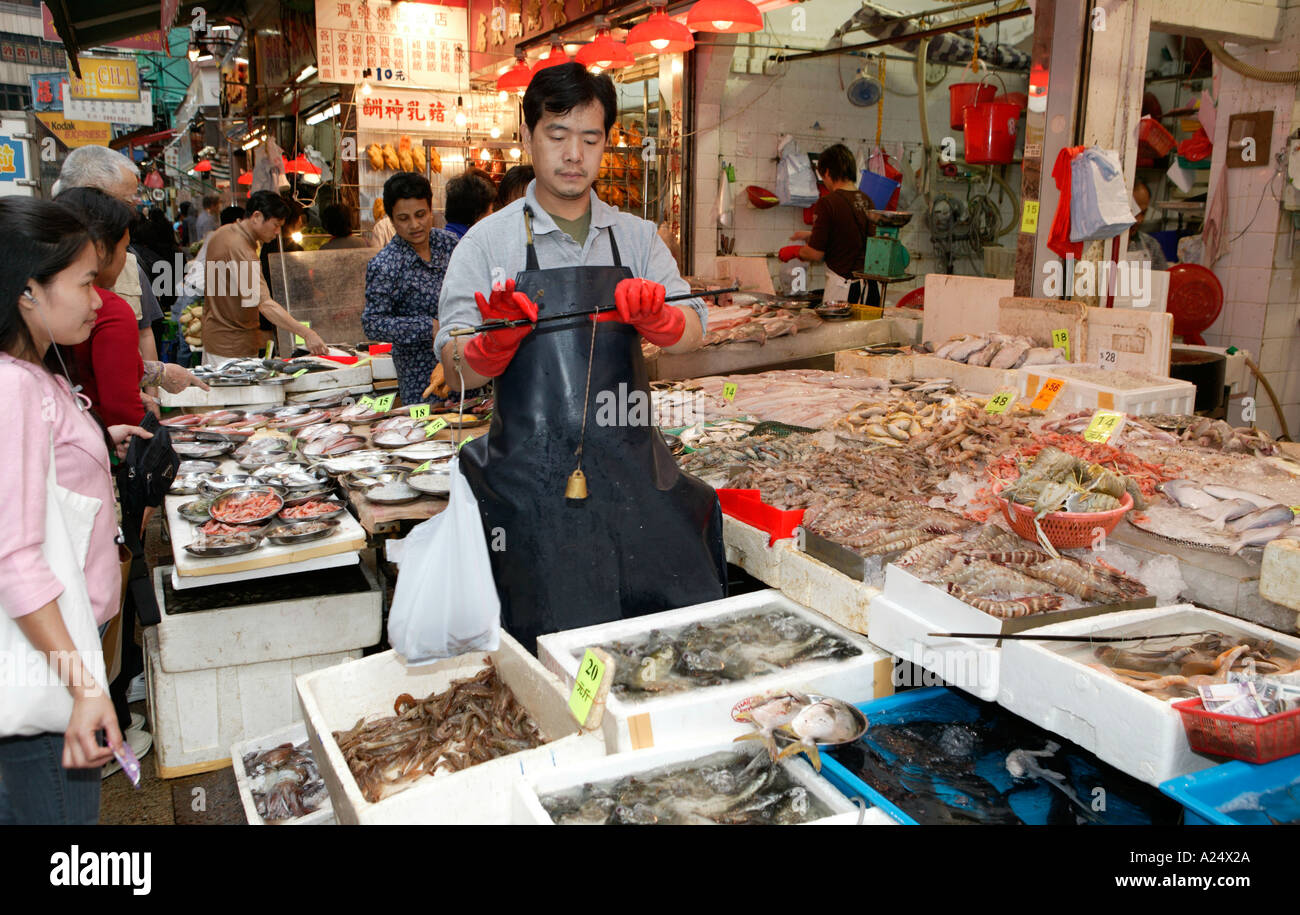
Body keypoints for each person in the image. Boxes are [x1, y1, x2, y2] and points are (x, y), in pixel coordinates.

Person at [436, 62, 725, 651]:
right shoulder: (487, 243)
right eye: (557, 134)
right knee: (541, 650)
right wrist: (488, 346)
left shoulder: (637, 238)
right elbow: (455, 365)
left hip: (633, 477)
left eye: (590, 138)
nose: (574, 154)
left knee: (656, 645)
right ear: (528, 136)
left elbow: (695, 328)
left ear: (606, 143)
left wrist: (663, 319)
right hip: (528, 484)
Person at [0, 197, 151, 824]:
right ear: (28, 291)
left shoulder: (33, 371)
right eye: (86, 282)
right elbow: (14, 559)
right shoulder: (14, 387)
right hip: (46, 688)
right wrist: (87, 689)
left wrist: (93, 448)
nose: (98, 300)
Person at [56, 189, 207, 426]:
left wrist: (156, 375)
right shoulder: (110, 309)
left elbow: (102, 370)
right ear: (100, 248)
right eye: (124, 248)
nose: (127, 257)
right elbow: (122, 408)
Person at [52, 147, 164, 376]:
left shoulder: (129, 263)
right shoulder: (48, 264)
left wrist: (154, 381)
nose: (135, 210)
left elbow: (145, 332)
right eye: (126, 202)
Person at [362, 173, 458, 405]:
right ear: (391, 219)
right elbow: (373, 323)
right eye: (403, 218)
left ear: (431, 208)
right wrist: (428, 326)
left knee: (472, 430)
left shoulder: (450, 244)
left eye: (421, 214)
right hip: (419, 378)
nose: (415, 225)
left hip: (462, 365)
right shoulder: (386, 264)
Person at [202, 190, 325, 362]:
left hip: (215, 340)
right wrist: (306, 333)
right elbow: (264, 304)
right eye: (276, 225)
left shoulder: (222, 233)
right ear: (257, 216)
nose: (277, 232)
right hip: (231, 349)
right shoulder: (241, 249)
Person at [780, 144, 880, 307]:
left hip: (844, 290)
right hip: (870, 290)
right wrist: (811, 236)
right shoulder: (866, 200)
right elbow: (850, 238)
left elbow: (816, 254)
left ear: (827, 172)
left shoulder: (828, 203)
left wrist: (795, 251)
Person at [442, 168, 498, 240]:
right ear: (478, 215)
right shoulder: (468, 244)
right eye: (491, 210)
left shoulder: (442, 240)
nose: (492, 215)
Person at [1130, 180, 1169, 270]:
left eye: (1143, 213)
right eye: (1134, 212)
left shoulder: (1151, 245)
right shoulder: (1103, 245)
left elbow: (1161, 281)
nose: (1139, 220)